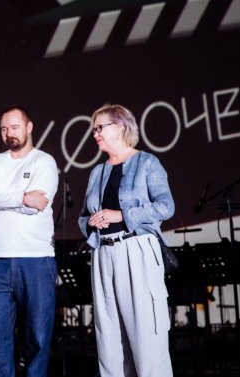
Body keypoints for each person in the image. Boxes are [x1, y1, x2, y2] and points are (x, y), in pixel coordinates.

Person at [78, 104, 175, 377]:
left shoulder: (147, 163)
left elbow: (166, 206)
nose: (95, 134)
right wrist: (90, 223)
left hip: (136, 250)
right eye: (94, 129)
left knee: (146, 339)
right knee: (109, 341)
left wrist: (122, 215)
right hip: (102, 255)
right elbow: (83, 217)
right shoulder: (97, 172)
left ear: (120, 127)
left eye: (100, 127)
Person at [0, 105, 59, 377]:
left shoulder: (43, 162)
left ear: (29, 127)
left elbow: (38, 205)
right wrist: (22, 196)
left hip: (35, 260)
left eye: (14, 127)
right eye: (3, 129)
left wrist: (2, 197)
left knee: (37, 337)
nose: (8, 133)